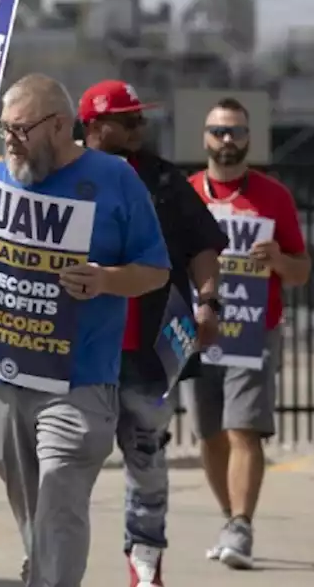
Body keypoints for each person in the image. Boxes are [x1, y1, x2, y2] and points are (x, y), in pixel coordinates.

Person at [0, 73, 171, 587]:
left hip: (76, 383)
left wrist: (106, 279)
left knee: (59, 499)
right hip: (2, 380)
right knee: (33, 509)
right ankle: (43, 564)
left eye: (21, 130)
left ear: (59, 126)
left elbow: (155, 270)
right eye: (4, 130)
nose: (10, 141)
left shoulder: (115, 179)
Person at [77, 79, 227, 586]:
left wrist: (208, 302)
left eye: (142, 119)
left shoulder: (163, 180)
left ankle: (145, 559)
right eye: (130, 120)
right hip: (78, 352)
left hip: (146, 351)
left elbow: (203, 245)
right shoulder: (65, 175)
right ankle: (53, 557)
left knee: (145, 454)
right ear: (97, 127)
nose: (142, 128)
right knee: (68, 460)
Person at [186, 97, 311, 570]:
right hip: (200, 333)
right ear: (205, 137)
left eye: (236, 131)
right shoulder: (189, 192)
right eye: (219, 131)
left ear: (248, 139)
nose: (227, 140)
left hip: (253, 332)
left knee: (244, 430)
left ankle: (241, 523)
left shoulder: (273, 196)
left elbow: (301, 272)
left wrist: (278, 258)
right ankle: (228, 517)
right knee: (210, 434)